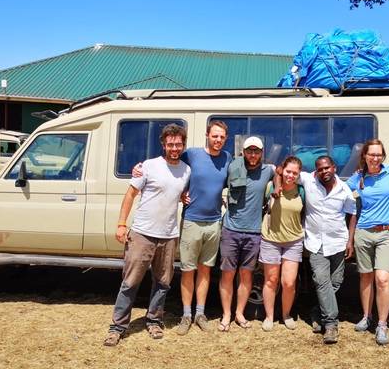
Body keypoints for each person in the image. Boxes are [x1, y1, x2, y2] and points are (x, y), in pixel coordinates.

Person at [104, 124, 191, 347]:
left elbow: (179, 193)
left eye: (178, 144)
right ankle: (118, 327)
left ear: (183, 144)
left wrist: (183, 198)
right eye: (170, 144)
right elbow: (131, 194)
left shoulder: (186, 170)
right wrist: (122, 224)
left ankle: (154, 320)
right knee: (130, 282)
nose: (174, 148)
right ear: (163, 144)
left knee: (163, 283)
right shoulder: (149, 166)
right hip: (142, 233)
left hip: (169, 235)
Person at [276, 155, 356, 344]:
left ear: (334, 167)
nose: (324, 171)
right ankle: (330, 324)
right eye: (320, 169)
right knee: (321, 282)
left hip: (337, 242)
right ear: (316, 171)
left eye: (327, 168)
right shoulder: (308, 179)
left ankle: (317, 311)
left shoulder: (344, 189)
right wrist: (278, 184)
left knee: (335, 282)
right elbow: (280, 170)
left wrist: (350, 241)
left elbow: (352, 213)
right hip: (315, 243)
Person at [174, 121, 231, 335]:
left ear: (225, 138)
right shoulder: (192, 155)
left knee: (205, 270)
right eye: (214, 136)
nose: (218, 140)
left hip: (214, 222)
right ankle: (186, 315)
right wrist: (180, 193)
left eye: (222, 137)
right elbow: (172, 167)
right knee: (188, 270)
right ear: (207, 135)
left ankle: (200, 313)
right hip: (192, 221)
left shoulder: (227, 159)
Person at [346, 139, 389, 346]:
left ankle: (382, 324)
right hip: (364, 232)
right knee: (366, 277)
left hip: (388, 232)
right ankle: (366, 316)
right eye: (372, 154)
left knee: (382, 278)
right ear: (365, 156)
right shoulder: (359, 177)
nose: (376, 158)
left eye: (379, 154)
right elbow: (339, 190)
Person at [218, 136, 274, 331]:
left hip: (254, 232)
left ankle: (239, 313)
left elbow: (288, 174)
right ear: (243, 152)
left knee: (246, 275)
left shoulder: (268, 171)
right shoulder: (232, 168)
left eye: (256, 151)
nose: (252, 154)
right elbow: (214, 182)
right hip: (231, 230)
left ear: (261, 153)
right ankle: (226, 314)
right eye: (249, 151)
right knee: (227, 274)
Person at [259, 156, 305, 332]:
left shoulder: (301, 191)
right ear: (282, 170)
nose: (291, 175)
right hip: (271, 239)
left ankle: (286, 314)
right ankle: (269, 316)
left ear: (299, 174)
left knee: (289, 283)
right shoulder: (271, 187)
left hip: (293, 241)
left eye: (295, 173)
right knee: (271, 280)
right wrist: (277, 183)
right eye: (288, 171)